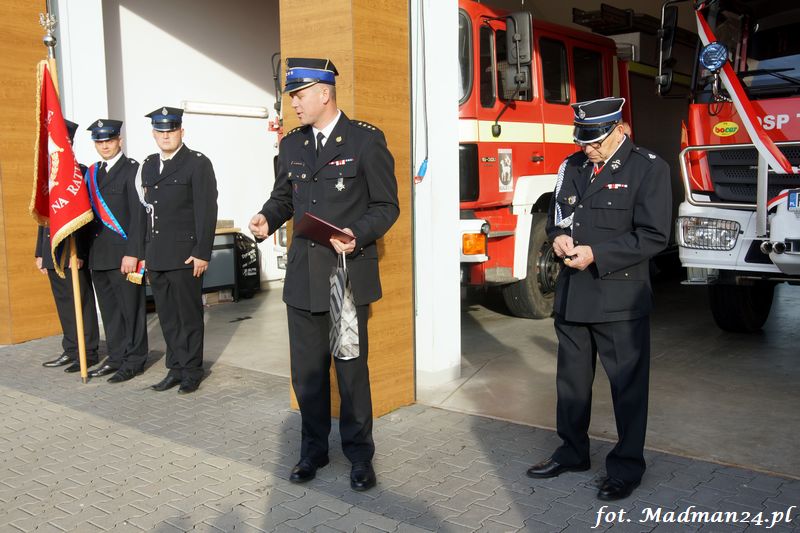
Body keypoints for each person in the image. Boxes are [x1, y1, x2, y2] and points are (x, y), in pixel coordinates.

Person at [249, 58, 399, 491]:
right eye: (292, 96)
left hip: (343, 278)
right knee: (307, 374)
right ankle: (312, 451)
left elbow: (386, 206)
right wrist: (267, 217)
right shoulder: (292, 145)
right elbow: (284, 197)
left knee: (350, 370)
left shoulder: (365, 140)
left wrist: (357, 233)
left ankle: (360, 456)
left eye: (299, 95)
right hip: (302, 278)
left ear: (324, 93)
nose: (294, 104)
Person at [526, 97, 671, 501]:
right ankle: (572, 452)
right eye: (582, 139)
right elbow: (557, 217)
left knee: (627, 388)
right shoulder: (572, 166)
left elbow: (654, 236)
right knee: (571, 384)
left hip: (619, 298)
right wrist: (559, 238)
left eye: (595, 140)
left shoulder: (649, 168)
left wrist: (598, 254)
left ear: (619, 130)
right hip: (574, 294)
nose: (587, 147)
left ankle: (626, 467)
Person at [141, 106, 218, 394]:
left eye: (171, 130)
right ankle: (175, 368)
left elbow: (206, 210)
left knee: (189, 316)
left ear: (181, 132)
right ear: (153, 134)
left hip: (186, 255)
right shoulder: (149, 165)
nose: (166, 136)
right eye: (160, 131)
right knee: (168, 317)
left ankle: (192, 370)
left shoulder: (197, 163)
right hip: (157, 255)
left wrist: (202, 252)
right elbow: (146, 213)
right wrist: (144, 253)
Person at [83, 119, 149, 383]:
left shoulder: (133, 169)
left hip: (125, 256)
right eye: (99, 142)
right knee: (110, 311)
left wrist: (133, 252)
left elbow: (139, 216)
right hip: (98, 255)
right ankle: (116, 356)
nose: (104, 146)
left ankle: (135, 360)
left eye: (109, 140)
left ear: (119, 140)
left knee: (131, 310)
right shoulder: (93, 173)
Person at [38, 119, 101, 374]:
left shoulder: (79, 173)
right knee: (64, 303)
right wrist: (40, 252)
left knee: (81, 301)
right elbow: (43, 217)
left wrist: (81, 252)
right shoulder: (48, 175)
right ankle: (72, 349)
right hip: (53, 249)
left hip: (74, 251)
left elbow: (87, 218)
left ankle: (89, 351)